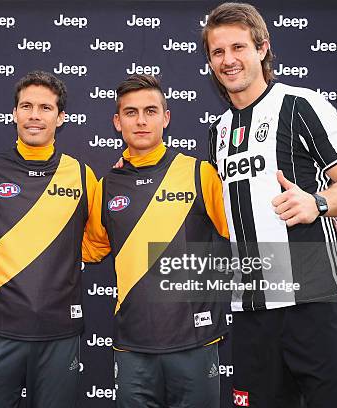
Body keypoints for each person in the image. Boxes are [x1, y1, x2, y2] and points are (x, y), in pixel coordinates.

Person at [202, 3, 337, 407]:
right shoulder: (218, 132)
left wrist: (317, 201)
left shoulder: (301, 104)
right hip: (251, 310)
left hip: (316, 302)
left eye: (238, 47)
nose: (228, 60)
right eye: (217, 52)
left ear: (262, 48)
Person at [83, 74, 230, 408]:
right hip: (133, 345)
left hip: (196, 342)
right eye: (131, 112)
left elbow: (240, 234)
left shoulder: (200, 173)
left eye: (150, 111)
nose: (141, 120)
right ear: (117, 122)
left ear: (166, 117)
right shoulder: (106, 186)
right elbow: (88, 249)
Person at [0, 71, 97, 408]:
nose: (34, 115)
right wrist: (7, 255)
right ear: (14, 113)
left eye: (45, 108)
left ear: (61, 117)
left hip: (59, 333)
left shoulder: (83, 175)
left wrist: (57, 255)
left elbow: (97, 243)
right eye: (26, 106)